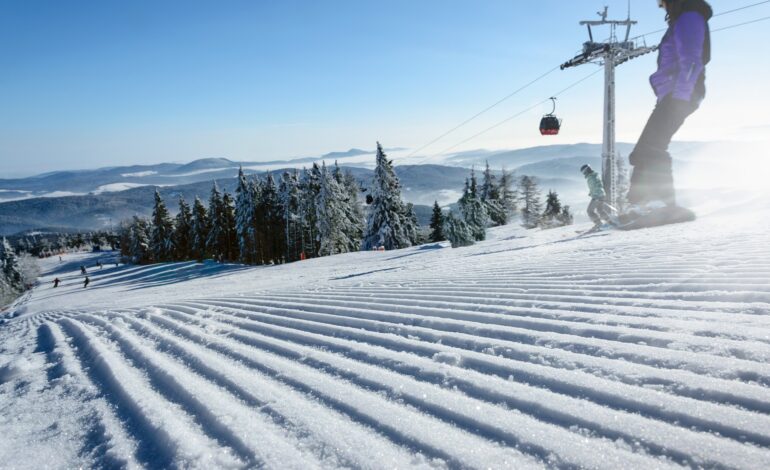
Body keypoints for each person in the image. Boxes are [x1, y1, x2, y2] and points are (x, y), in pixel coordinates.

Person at [627, 0, 712, 210]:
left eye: (662, 1)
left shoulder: (690, 18)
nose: (660, 6)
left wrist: (679, 96)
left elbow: (692, 60)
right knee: (642, 151)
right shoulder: (683, 19)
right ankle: (638, 205)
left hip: (681, 94)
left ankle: (662, 204)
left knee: (652, 147)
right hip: (674, 95)